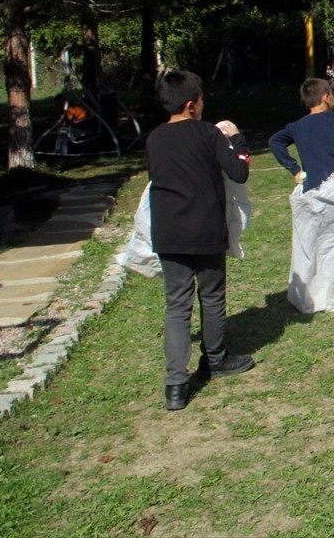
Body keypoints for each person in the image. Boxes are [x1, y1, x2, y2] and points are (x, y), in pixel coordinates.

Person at [146, 70, 252, 412]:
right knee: (211, 296)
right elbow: (239, 171)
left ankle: (175, 384)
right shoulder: (208, 134)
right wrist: (236, 139)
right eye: (202, 100)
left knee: (176, 305)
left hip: (168, 232)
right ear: (192, 105)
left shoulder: (155, 138)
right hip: (205, 229)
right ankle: (216, 358)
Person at [268, 78, 334, 315]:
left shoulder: (297, 126)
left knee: (311, 241)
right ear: (326, 96)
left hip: (311, 188)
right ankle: (333, 289)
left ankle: (310, 289)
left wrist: (294, 169)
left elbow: (275, 141)